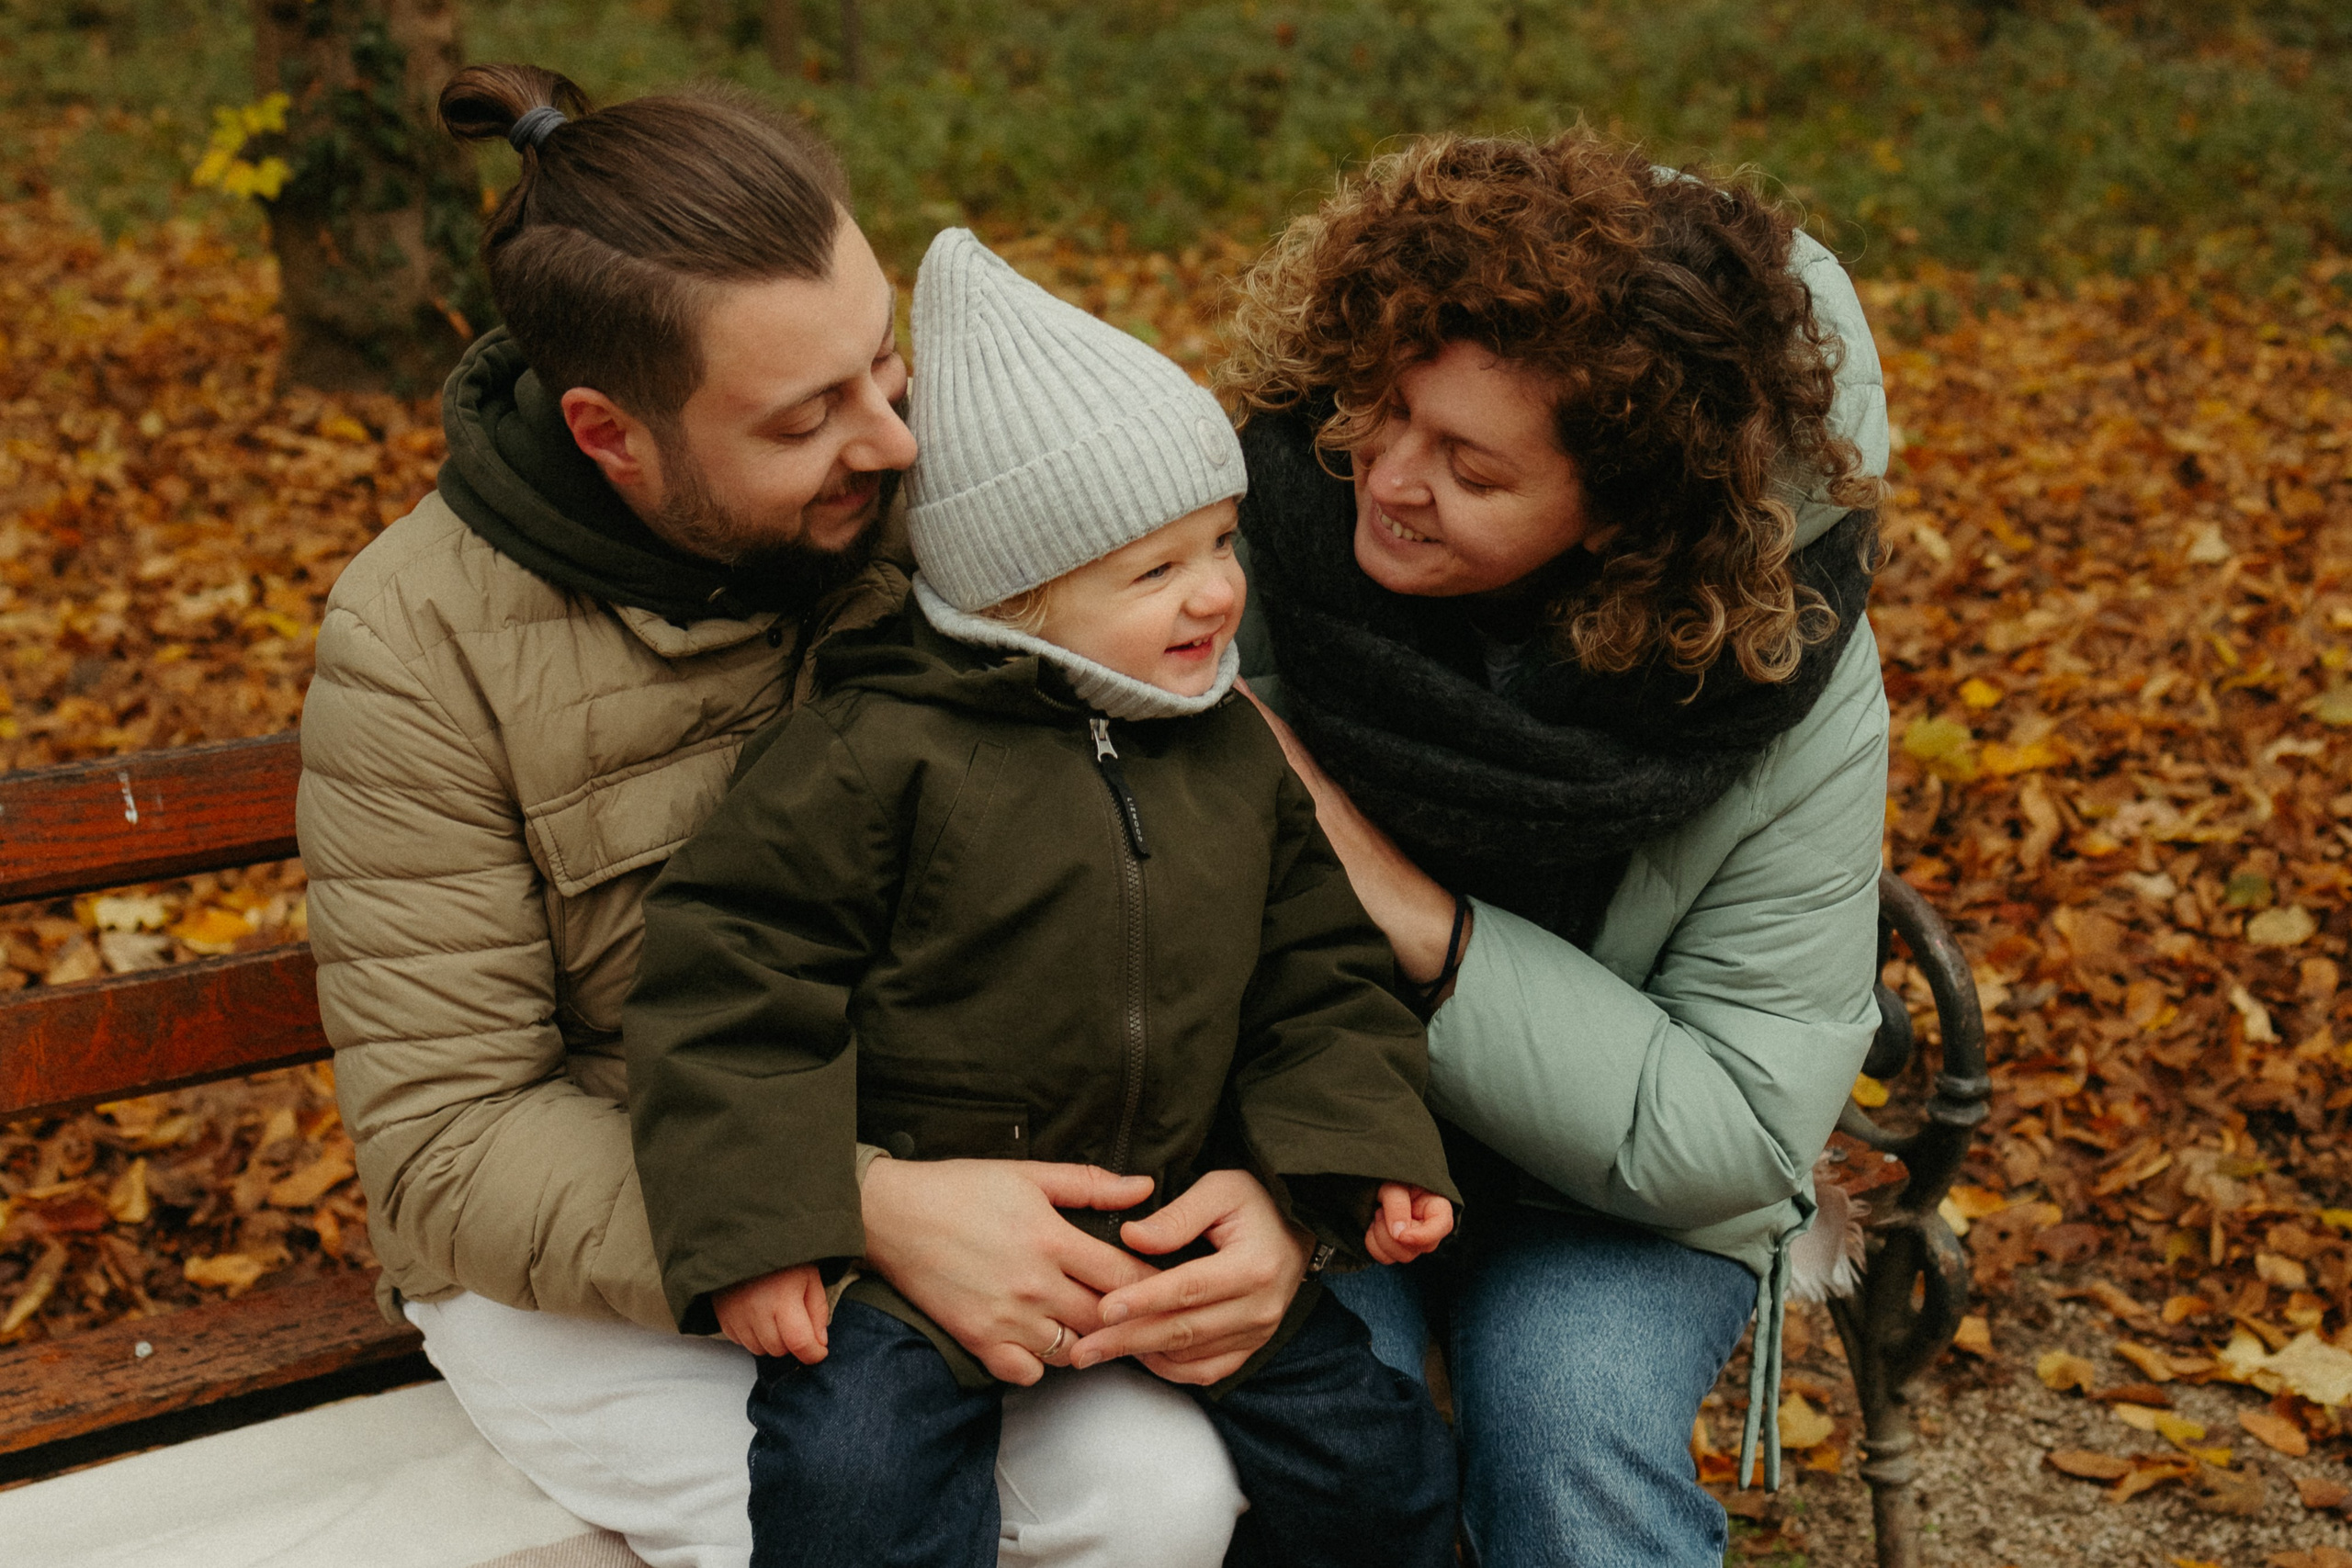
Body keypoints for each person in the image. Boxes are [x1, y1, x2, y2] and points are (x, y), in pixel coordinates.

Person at [296, 64, 1289, 1568]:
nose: (892, 442)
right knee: (868, 1518)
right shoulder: (420, 640)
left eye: (884, 362)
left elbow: (1185, 831)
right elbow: (449, 1141)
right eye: (806, 416)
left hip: (981, 1176)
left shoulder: (943, 512)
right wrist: (858, 1206)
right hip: (609, 1253)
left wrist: (1277, 1188)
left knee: (1162, 1492)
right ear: (610, 434)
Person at [624, 229, 1460, 1568]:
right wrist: (769, 1229)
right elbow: (734, 983)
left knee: (1379, 1458)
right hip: (921, 1259)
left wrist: (1355, 1154)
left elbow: (1318, 978)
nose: (1218, 589)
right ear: (1016, 596)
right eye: (1156, 570)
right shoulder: (875, 754)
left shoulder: (1228, 752)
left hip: (1172, 1224)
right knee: (849, 1471)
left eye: (1222, 539)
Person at [1216, 130, 1892, 1567]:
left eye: (1468, 464)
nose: (1386, 476)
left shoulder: (1785, 675)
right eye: (1387, 408)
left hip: (1623, 1203)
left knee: (1569, 1410)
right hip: (1298, 1127)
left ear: (1631, 515)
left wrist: (1419, 921)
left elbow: (1741, 1126)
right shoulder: (1249, 527)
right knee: (1319, 1423)